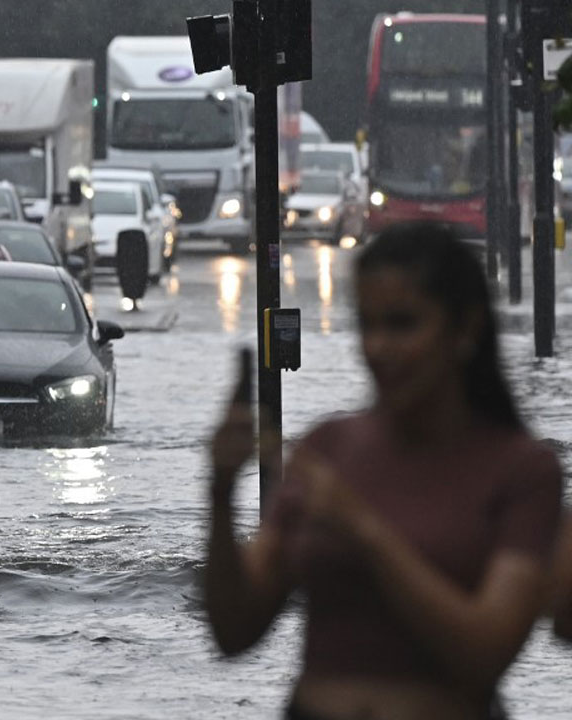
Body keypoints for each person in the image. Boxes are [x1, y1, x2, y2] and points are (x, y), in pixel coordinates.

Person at [205, 222, 564, 720]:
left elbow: (485, 652)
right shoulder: (328, 447)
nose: (378, 348)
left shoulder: (522, 469)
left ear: (465, 329)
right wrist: (221, 489)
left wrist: (365, 531)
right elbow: (233, 631)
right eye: (367, 325)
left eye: (402, 325)